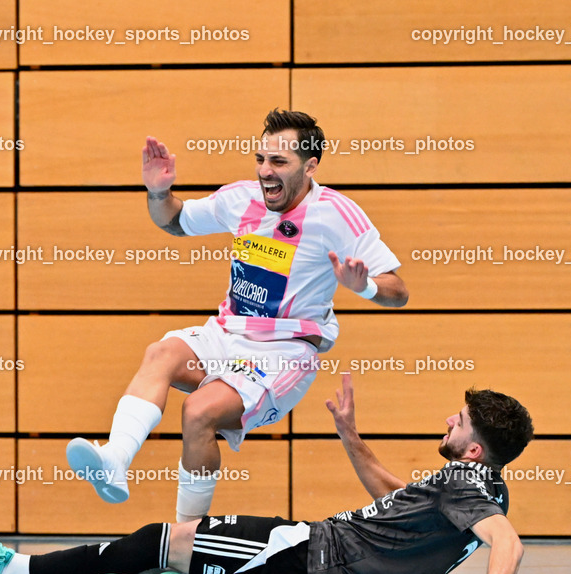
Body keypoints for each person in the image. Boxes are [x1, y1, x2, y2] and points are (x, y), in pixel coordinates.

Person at [65, 109, 409, 522]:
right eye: (260, 159)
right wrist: (158, 191)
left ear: (310, 166)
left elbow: (398, 291)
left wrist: (364, 286)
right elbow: (174, 221)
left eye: (279, 161)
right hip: (226, 334)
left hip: (283, 353)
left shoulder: (337, 213)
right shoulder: (241, 198)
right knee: (160, 353)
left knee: (199, 413)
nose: (265, 171)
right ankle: (115, 460)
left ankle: (187, 541)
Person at [0, 375, 533, 574]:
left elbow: (507, 543)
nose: (449, 420)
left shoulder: (464, 482)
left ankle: (9, 569)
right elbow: (399, 498)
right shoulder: (485, 488)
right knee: (211, 563)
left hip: (312, 554)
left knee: (164, 538)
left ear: (473, 448)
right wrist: (350, 436)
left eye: (459, 422)